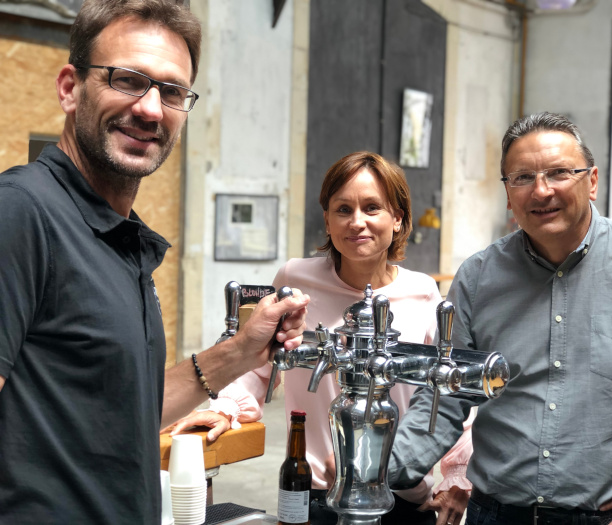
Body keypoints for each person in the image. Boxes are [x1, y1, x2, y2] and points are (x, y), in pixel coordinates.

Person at [0, 2, 309, 523]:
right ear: (70, 88)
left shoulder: (117, 235)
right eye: (128, 80)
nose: (150, 109)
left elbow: (128, 410)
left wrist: (239, 352)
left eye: (170, 91)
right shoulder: (22, 211)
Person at [389, 112, 612, 525]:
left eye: (559, 173)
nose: (541, 190)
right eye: (522, 177)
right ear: (507, 193)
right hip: (496, 514)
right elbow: (446, 398)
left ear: (591, 181)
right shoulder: (479, 276)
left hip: (609, 517)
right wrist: (378, 473)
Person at [170, 151, 473, 525]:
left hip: (402, 496)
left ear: (398, 219)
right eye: (342, 209)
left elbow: (446, 394)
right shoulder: (295, 281)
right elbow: (258, 362)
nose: (356, 222)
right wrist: (224, 408)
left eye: (372, 208)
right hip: (314, 493)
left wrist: (458, 475)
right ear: (327, 220)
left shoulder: (424, 294)